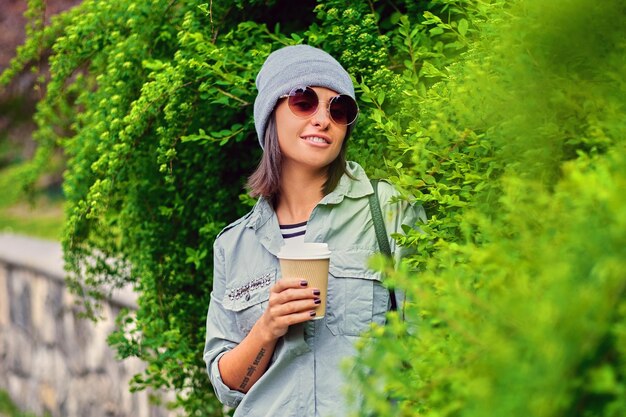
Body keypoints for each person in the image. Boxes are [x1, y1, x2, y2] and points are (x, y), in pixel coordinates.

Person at [203, 44, 426, 417]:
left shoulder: (388, 212)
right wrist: (267, 327)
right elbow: (229, 387)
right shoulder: (235, 244)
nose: (323, 119)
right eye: (304, 101)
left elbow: (428, 351)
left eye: (339, 110)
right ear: (270, 116)